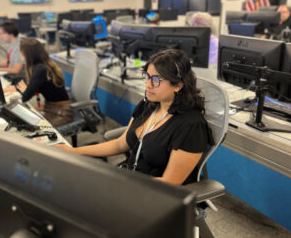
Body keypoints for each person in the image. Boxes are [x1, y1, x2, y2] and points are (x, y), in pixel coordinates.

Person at [56, 49, 214, 186]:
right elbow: (120, 144)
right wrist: (74, 151)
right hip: (131, 176)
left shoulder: (191, 126)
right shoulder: (149, 105)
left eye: (156, 79)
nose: (148, 84)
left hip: (155, 194)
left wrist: (121, 183)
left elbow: (170, 182)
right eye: (147, 76)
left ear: (178, 85)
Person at [4, 38, 73, 127]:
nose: (20, 55)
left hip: (61, 113)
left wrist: (25, 90)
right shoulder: (41, 65)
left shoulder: (40, 69)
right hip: (51, 109)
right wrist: (3, 90)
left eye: (21, 52)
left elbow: (25, 97)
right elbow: (23, 85)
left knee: (28, 126)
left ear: (27, 55)